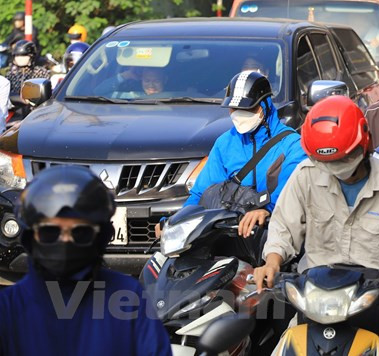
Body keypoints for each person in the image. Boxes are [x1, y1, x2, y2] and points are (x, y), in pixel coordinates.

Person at [253, 96, 379, 356]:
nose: (334, 168)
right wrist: (272, 262)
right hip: (315, 299)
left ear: (364, 145)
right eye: (327, 162)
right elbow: (283, 228)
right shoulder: (305, 175)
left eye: (342, 159)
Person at [0, 166, 171, 356]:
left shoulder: (129, 300)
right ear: (31, 237)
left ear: (101, 237)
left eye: (80, 233)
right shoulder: (7, 311)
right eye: (50, 232)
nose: (65, 242)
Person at [184, 72, 307, 239]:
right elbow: (200, 193)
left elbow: (291, 191)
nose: (240, 114)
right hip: (226, 237)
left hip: (275, 235)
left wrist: (266, 210)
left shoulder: (292, 144)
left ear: (265, 105)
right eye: (235, 109)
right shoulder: (224, 143)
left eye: (248, 108)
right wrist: (176, 220)